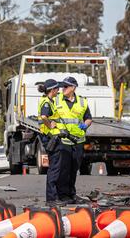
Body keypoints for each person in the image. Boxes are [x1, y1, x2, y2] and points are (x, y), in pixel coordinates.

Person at [54, 76, 92, 204]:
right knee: (63, 169)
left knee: (74, 169)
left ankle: (71, 194)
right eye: (62, 86)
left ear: (73, 88)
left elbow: (88, 118)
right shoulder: (56, 99)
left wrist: (85, 125)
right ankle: (62, 195)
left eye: (65, 86)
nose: (63, 89)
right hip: (63, 140)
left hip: (78, 141)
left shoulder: (82, 102)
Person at [37, 79, 65, 207]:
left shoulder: (49, 101)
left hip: (51, 137)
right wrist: (51, 125)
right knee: (54, 169)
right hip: (50, 138)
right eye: (57, 89)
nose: (58, 91)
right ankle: (52, 199)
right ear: (52, 90)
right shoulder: (47, 103)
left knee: (55, 168)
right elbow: (44, 117)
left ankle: (53, 197)